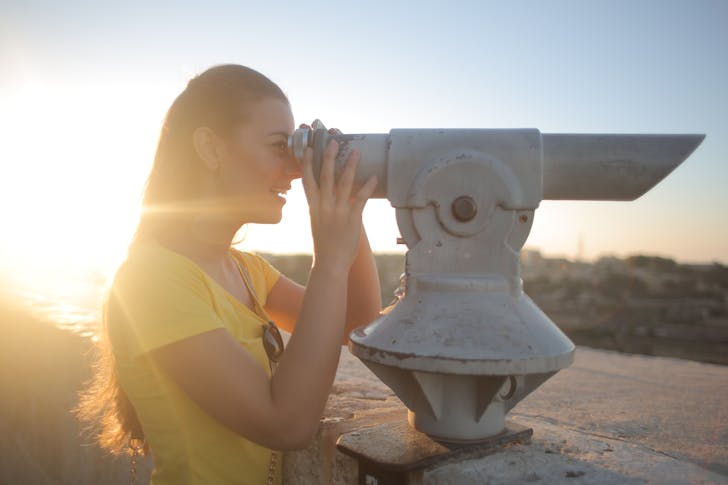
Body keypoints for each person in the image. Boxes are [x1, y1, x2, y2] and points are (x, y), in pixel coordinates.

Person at [76, 64, 382, 485]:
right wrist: (328, 263)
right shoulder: (150, 279)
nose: (296, 171)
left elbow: (358, 325)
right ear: (210, 148)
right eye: (280, 146)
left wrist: (345, 194)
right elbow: (286, 424)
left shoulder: (245, 269)